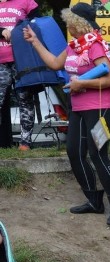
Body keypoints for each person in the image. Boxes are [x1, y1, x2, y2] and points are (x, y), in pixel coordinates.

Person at [24, 3, 110, 227]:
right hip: (78, 108)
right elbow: (54, 64)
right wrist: (35, 41)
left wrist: (82, 83)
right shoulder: (73, 46)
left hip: (100, 106)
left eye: (70, 20)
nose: (67, 24)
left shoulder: (95, 45)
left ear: (79, 23)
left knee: (98, 155)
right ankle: (94, 200)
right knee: (74, 152)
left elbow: (109, 79)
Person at [0, 0, 39, 151]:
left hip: (22, 60)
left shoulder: (26, 1)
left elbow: (37, 24)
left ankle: (25, 143)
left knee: (25, 99)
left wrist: (18, 29)